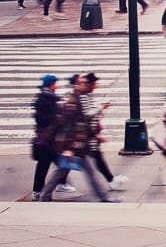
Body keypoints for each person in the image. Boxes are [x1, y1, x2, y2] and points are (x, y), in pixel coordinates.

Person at [39, 75, 117, 203]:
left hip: (79, 144)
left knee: (63, 171)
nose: (84, 85)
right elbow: (68, 126)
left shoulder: (79, 99)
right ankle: (104, 197)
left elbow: (82, 123)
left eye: (85, 83)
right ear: (77, 85)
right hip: (74, 146)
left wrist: (95, 136)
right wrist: (68, 148)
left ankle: (45, 196)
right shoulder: (73, 101)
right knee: (77, 172)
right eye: (81, 83)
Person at [79, 73, 128, 191]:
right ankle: (110, 182)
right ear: (90, 84)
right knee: (68, 165)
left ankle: (111, 181)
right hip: (85, 135)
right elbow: (87, 114)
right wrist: (101, 108)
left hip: (89, 134)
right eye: (94, 84)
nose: (96, 86)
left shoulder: (87, 96)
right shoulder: (83, 97)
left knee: (96, 157)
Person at [31, 74, 66, 201]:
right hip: (48, 139)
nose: (56, 86)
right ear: (51, 85)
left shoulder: (47, 98)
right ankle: (58, 186)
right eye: (55, 83)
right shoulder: (46, 99)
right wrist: (57, 118)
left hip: (48, 138)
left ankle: (40, 190)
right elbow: (43, 118)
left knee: (46, 164)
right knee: (59, 164)